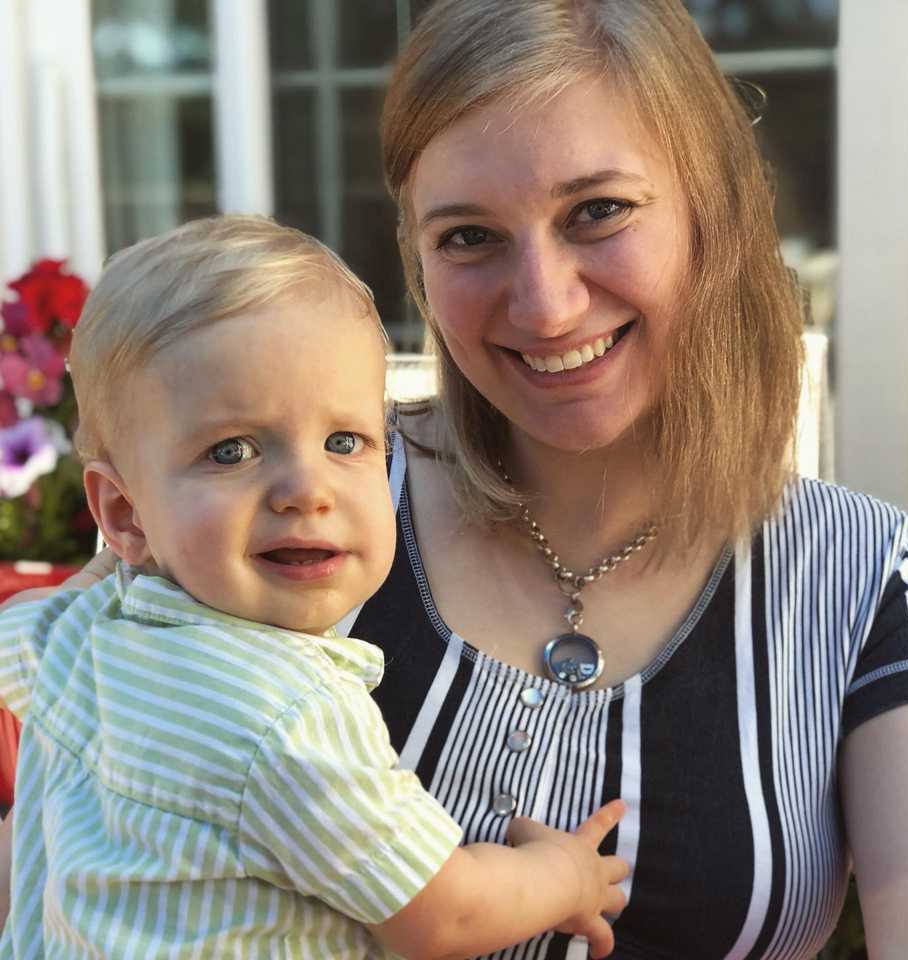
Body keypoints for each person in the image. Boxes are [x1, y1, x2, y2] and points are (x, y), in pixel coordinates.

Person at [2, 1, 908, 958]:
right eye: (469, 235)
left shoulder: (867, 581)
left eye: (599, 212)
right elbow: (68, 836)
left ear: (714, 213)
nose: (545, 306)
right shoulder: (263, 527)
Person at [0, 215, 630, 959]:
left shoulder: (78, 631)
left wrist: (137, 543)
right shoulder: (288, 716)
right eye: (231, 451)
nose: (306, 490)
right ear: (125, 509)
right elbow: (444, 917)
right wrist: (562, 877)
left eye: (344, 442)